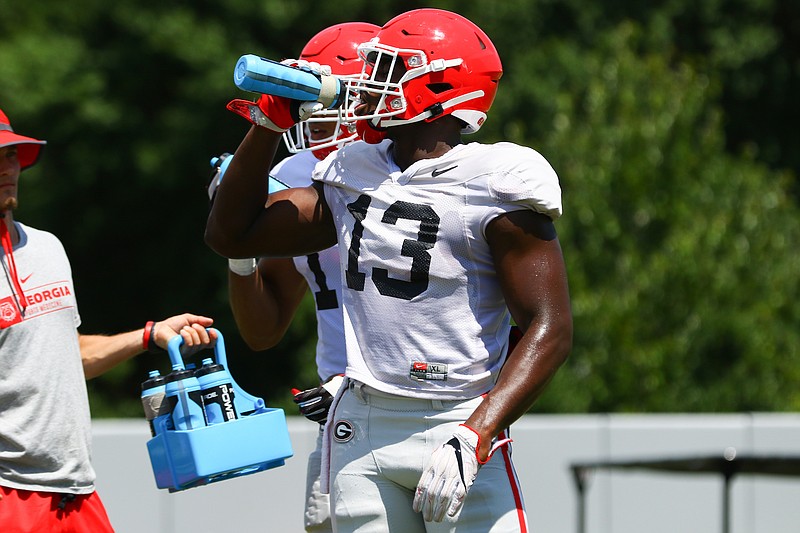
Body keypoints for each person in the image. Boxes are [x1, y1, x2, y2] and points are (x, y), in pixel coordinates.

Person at [206, 8, 572, 532]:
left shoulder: (496, 180)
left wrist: (480, 430)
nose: (369, 83)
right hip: (364, 421)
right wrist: (267, 125)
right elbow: (230, 236)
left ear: (440, 84)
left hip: (458, 418)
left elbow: (550, 327)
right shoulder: (353, 171)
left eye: (388, 68)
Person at [0, 108, 218, 533]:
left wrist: (150, 335)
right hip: (8, 496)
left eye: (11, 156)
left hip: (77, 494)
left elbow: (68, 355)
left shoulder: (47, 248)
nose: (8, 168)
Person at [208, 22, 380, 533]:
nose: (317, 121)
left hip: (427, 403)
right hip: (340, 419)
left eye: (328, 101)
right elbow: (264, 329)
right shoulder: (295, 175)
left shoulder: (418, 175)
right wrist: (243, 249)